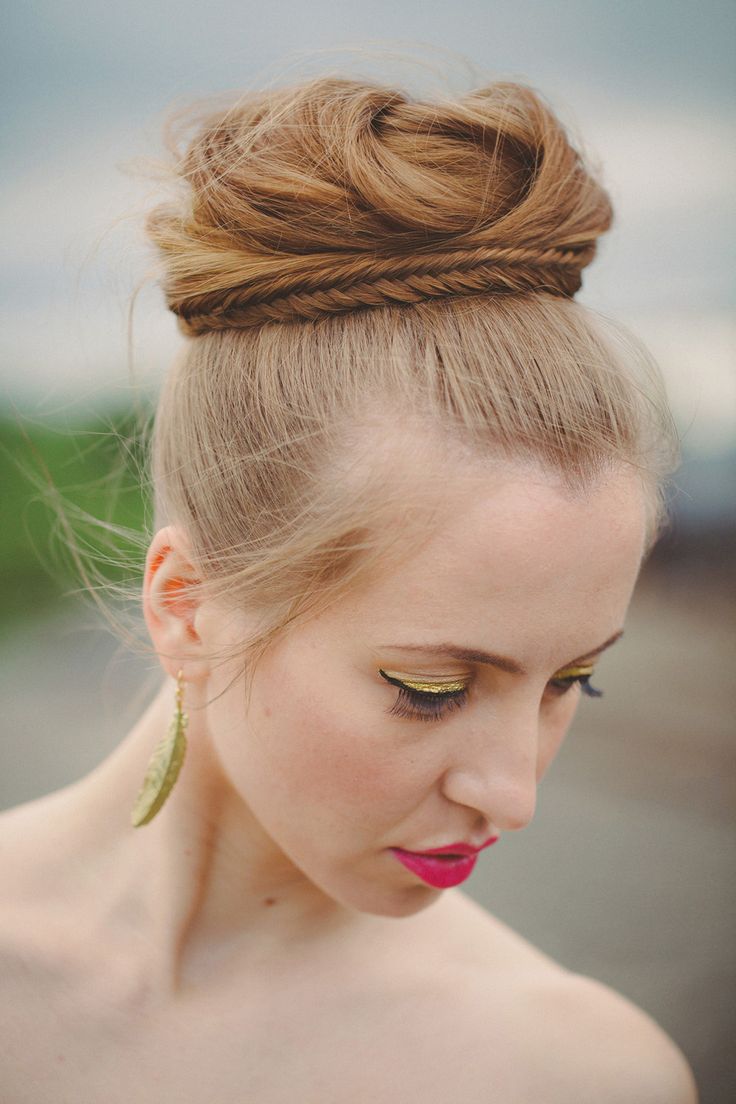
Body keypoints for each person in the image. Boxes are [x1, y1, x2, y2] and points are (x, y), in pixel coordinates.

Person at [0, 73, 699, 1102]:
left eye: (572, 682)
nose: (512, 794)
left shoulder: (579, 1076)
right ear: (184, 603)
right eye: (431, 687)